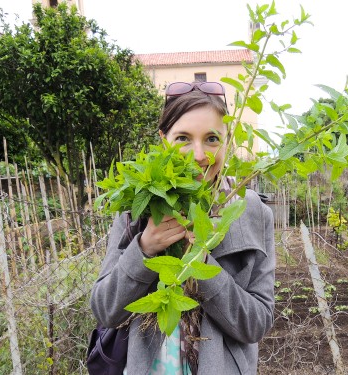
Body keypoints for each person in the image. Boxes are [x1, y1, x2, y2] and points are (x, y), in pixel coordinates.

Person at [90, 81, 276, 374]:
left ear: (228, 140)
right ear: (164, 140)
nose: (199, 155)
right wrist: (145, 250)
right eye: (183, 139)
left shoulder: (252, 211)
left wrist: (199, 262)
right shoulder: (138, 205)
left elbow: (257, 325)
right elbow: (105, 310)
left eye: (212, 138)